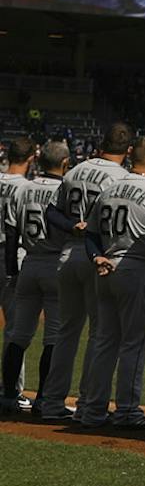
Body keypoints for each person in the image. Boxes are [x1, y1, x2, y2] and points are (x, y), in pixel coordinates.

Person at [72, 133, 145, 430]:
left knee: (104, 341)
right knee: (134, 345)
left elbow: (89, 233)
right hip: (138, 269)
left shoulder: (109, 189)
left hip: (106, 266)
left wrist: (96, 257)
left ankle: (92, 410)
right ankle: (127, 410)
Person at [42, 121, 132, 422]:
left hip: (69, 252)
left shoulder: (76, 169)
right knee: (100, 333)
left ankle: (52, 402)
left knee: (66, 331)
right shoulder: (122, 177)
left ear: (100, 144)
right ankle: (87, 404)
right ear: (128, 151)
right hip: (100, 255)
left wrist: (72, 226)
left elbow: (52, 211)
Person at [0, 141, 68, 414]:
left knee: (18, 334)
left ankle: (7, 396)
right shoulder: (64, 189)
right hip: (54, 263)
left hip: (28, 260)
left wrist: (13, 272)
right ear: (64, 163)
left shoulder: (25, 188)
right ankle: (43, 398)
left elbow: (12, 233)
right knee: (53, 336)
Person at [0, 138, 31, 363]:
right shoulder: (26, 188)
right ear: (31, 158)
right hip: (9, 254)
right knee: (14, 326)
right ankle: (11, 391)